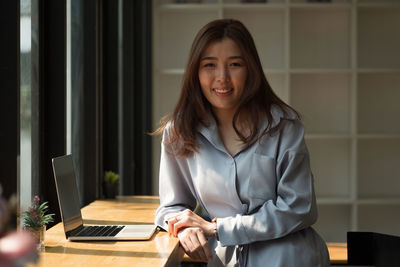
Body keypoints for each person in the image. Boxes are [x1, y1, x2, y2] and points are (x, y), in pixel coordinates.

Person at [154, 19, 329, 267]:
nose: (222, 77)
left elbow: (298, 208)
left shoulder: (284, 127)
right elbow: (171, 207)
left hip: (288, 258)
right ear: (196, 72)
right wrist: (184, 229)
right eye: (209, 65)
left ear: (251, 69)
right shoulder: (180, 132)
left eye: (234, 64)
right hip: (223, 261)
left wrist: (217, 228)